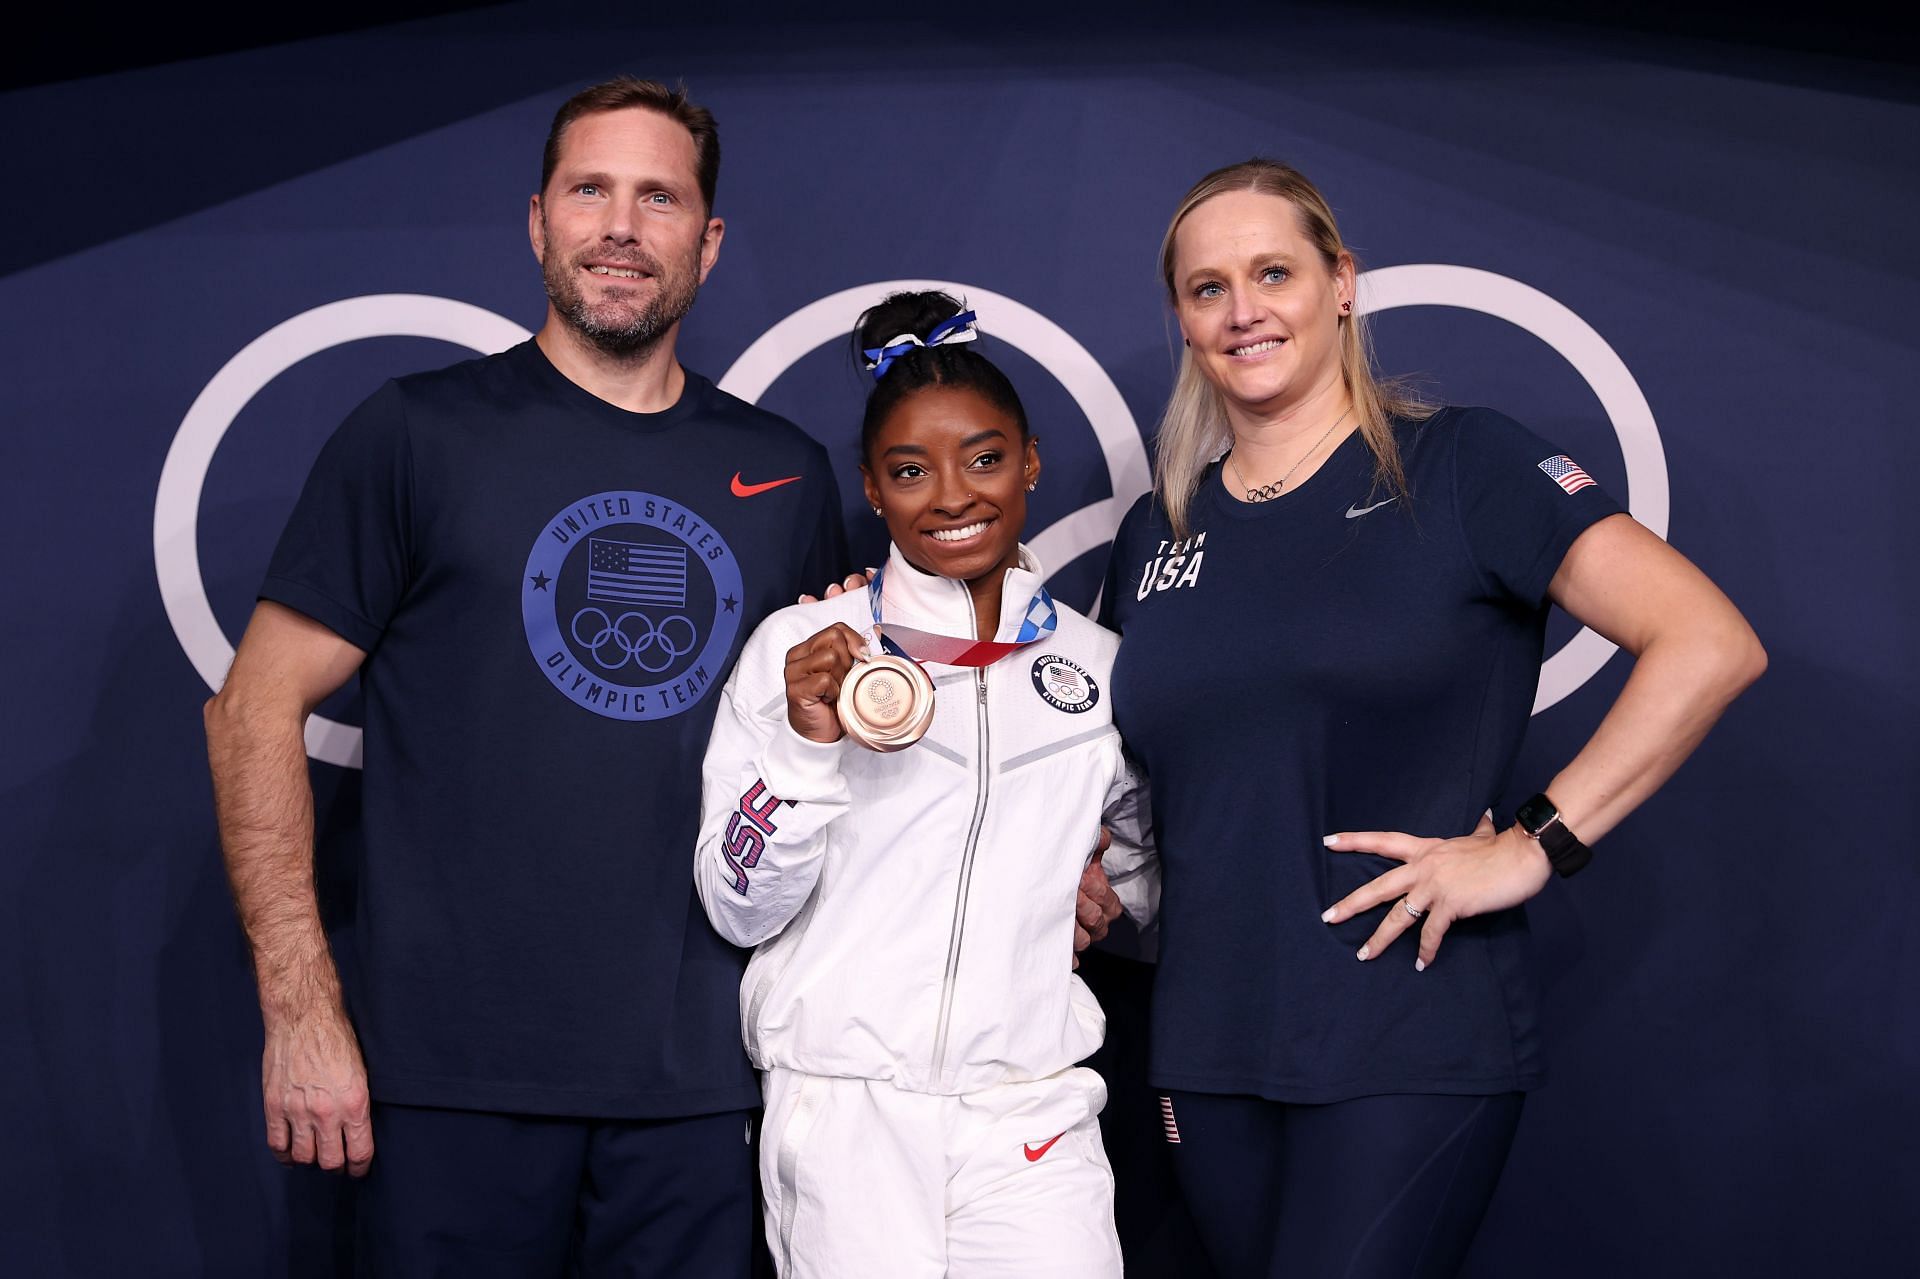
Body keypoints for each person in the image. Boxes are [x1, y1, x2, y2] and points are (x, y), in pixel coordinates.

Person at [202, 77, 849, 1275]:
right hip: (446, 1086)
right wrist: (300, 1009)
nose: (620, 224)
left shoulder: (785, 474)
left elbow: (839, 751)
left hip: (707, 1090)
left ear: (703, 242)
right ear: (538, 220)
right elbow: (252, 710)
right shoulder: (416, 433)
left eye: (658, 197)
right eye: (589, 189)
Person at [1096, 159, 1766, 1278]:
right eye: (1208, 287)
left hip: (1404, 1032)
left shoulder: (1460, 465)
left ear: (1342, 282)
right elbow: (1111, 767)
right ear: (1181, 316)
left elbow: (1707, 640)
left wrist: (1534, 842)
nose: (1243, 309)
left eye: (1274, 272)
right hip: (1206, 1045)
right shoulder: (1154, 532)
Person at [693, 290, 1155, 1279]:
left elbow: (1150, 871)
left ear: (1029, 461)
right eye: (910, 470)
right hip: (847, 1111)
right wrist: (809, 744)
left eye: (984, 457)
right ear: (871, 487)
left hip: (1032, 1106)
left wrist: (1099, 893)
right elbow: (738, 905)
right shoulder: (800, 647)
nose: (952, 496)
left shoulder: (1100, 670)